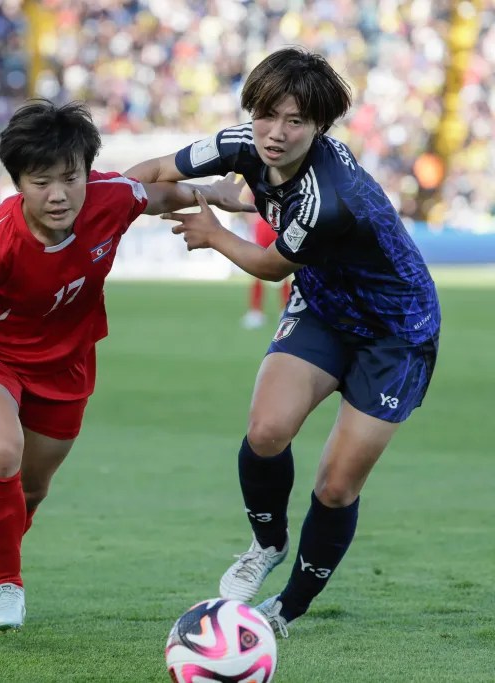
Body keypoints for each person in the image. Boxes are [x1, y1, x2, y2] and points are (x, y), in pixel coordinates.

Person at [0, 99, 255, 633]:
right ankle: (8, 586)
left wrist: (211, 192)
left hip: (65, 363)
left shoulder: (109, 198)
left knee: (30, 491)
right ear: (18, 183)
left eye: (70, 178)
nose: (58, 194)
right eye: (40, 182)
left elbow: (153, 193)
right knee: (2, 452)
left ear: (86, 173)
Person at [127, 47, 441, 636]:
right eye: (267, 114)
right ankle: (267, 544)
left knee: (337, 482)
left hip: (396, 333)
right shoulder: (240, 142)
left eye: (295, 121)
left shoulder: (330, 195)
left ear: (320, 126)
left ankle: (287, 609)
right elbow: (160, 169)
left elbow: (272, 265)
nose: (275, 133)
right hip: (325, 305)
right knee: (267, 430)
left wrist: (215, 232)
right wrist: (103, 201)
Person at [241, 214, 291, 329]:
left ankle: (285, 310)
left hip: (278, 224)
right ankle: (256, 312)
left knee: (283, 268)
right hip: (265, 223)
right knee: (258, 268)